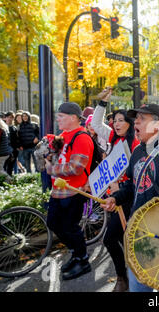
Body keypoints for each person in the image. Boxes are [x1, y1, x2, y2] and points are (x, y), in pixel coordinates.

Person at [102, 103, 159, 292]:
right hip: (141, 233)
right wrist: (117, 198)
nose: (135, 122)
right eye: (135, 118)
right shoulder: (138, 151)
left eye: (141, 118)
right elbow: (132, 184)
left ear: (158, 124)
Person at [91, 87, 140, 292]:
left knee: (111, 238)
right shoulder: (112, 137)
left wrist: (121, 185)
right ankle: (127, 274)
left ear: (129, 125)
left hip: (129, 198)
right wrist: (102, 103)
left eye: (121, 120)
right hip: (114, 197)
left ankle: (124, 277)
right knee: (120, 238)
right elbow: (95, 124)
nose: (117, 123)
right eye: (115, 120)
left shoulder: (136, 144)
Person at [45, 102, 94, 281]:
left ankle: (83, 261)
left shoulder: (82, 138)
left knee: (70, 228)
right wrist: (48, 152)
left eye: (61, 116)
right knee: (53, 223)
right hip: (59, 191)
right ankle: (75, 253)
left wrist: (51, 168)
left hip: (74, 191)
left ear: (74, 118)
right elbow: (59, 157)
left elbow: (76, 168)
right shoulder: (64, 135)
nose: (57, 118)